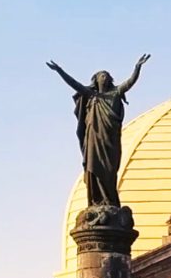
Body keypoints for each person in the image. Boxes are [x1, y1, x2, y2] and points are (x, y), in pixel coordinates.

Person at [47, 54, 150, 208]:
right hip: (94, 139)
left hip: (110, 140)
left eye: (107, 75)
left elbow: (130, 82)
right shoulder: (91, 95)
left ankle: (110, 201)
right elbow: (74, 84)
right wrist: (60, 71)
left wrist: (137, 67)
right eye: (102, 75)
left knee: (109, 171)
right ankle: (97, 200)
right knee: (93, 169)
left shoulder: (115, 93)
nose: (104, 77)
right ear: (96, 80)